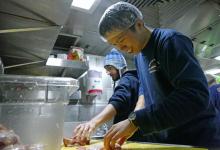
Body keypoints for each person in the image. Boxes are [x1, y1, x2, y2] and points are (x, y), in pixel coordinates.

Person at [98, 2, 220, 149]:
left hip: (198, 138)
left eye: (121, 41)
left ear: (139, 24)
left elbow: (195, 95)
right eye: (115, 45)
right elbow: (144, 91)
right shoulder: (139, 57)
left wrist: (135, 121)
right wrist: (133, 120)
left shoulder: (169, 41)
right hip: (171, 139)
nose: (121, 49)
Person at [71, 48, 145, 145]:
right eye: (106, 69)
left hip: (131, 139)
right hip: (135, 138)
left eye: (110, 68)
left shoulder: (127, 79)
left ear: (119, 67)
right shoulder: (136, 80)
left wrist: (93, 123)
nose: (108, 72)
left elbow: (118, 100)